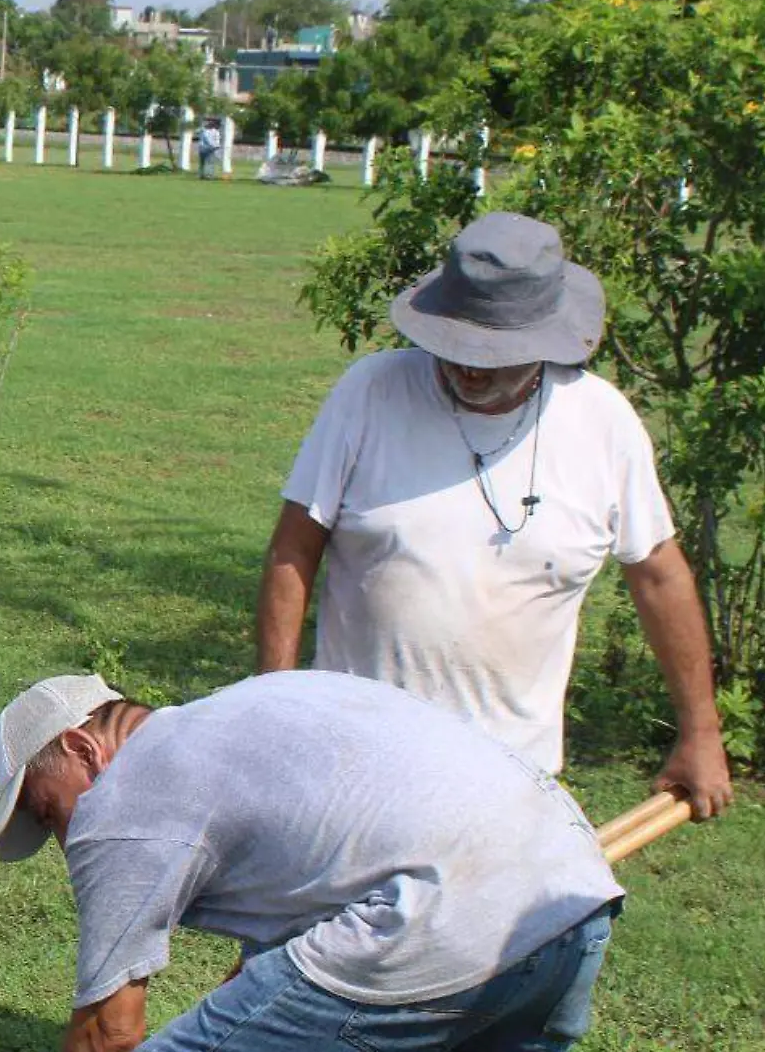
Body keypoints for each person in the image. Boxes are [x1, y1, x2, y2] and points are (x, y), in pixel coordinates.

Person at [0, 670, 625, 1052]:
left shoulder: (124, 801)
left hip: (446, 917)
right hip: (571, 893)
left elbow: (108, 1037)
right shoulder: (250, 716)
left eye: (48, 811)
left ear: (82, 749)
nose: (67, 840)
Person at [255, 212, 730, 815]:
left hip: (509, 781)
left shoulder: (603, 424)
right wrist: (270, 707)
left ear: (546, 342)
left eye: (496, 353)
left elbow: (660, 576)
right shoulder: (370, 393)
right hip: (354, 764)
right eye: (457, 345)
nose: (471, 367)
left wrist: (702, 732)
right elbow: (294, 548)